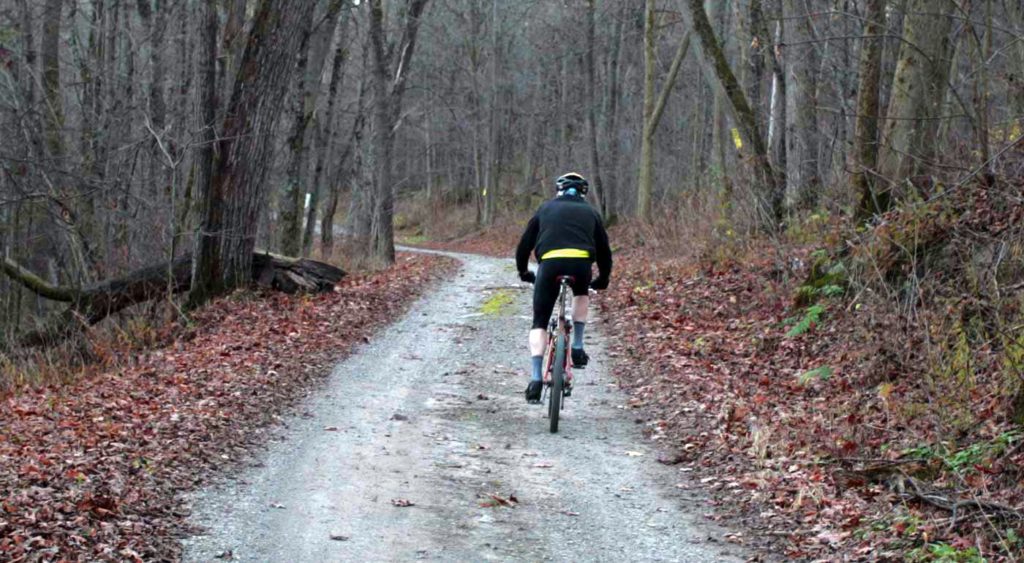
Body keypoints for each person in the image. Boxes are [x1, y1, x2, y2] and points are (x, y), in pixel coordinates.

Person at [515, 172, 612, 404]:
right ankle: (577, 345)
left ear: (558, 190)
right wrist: (603, 278)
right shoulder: (591, 213)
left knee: (539, 322)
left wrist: (524, 272)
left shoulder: (545, 209)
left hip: (549, 265)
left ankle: (536, 378)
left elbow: (523, 246)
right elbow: (605, 252)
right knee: (581, 292)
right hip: (581, 265)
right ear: (583, 193)